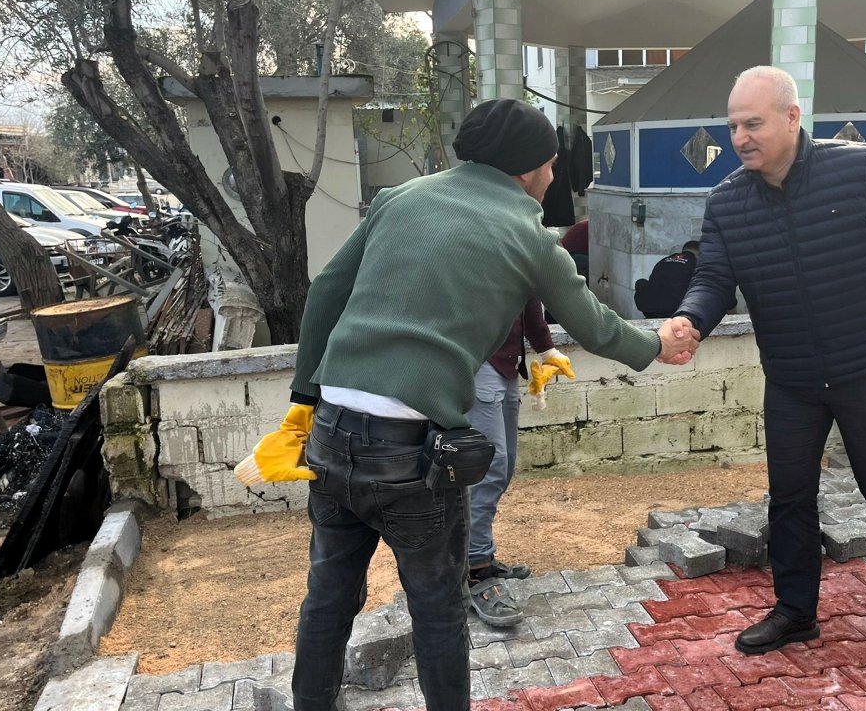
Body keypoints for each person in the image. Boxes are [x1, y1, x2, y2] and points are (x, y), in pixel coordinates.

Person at [250, 98, 696, 711]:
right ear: (533, 169)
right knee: (438, 607)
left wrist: (304, 399)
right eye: (550, 166)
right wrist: (658, 343)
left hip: (331, 432)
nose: (551, 177)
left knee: (328, 595)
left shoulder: (399, 199)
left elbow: (327, 290)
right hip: (412, 452)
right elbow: (596, 328)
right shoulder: (529, 234)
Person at [665, 67, 866, 655]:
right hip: (794, 376)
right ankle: (796, 610)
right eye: (733, 126)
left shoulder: (861, 168)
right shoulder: (727, 202)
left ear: (792, 117)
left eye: (753, 123)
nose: (741, 137)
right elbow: (715, 277)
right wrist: (691, 320)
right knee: (790, 495)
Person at [465, 299, 572, 627]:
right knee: (488, 469)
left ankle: (480, 552)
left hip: (508, 364)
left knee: (505, 465)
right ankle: (475, 571)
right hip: (477, 360)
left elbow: (529, 295)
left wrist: (546, 350)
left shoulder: (520, 247)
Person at [634, 240, 700, 319]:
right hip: (673, 311)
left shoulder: (665, 260)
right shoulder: (696, 263)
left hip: (648, 309)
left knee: (641, 282)